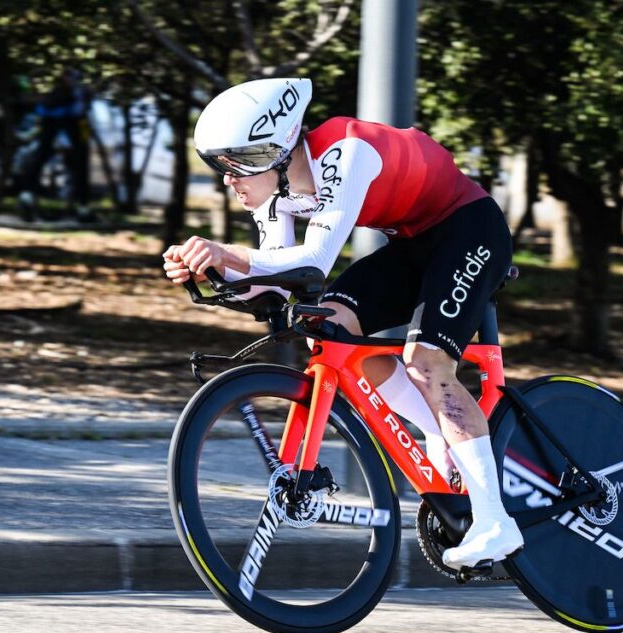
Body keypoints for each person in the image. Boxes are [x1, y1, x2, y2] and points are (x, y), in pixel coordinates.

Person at [163, 78, 523, 570]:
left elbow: (314, 259)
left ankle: (494, 520)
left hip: (468, 228)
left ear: (273, 150)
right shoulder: (278, 195)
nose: (227, 180)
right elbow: (280, 284)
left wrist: (230, 254)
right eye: (218, 167)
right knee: (330, 325)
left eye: (234, 164)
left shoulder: (344, 152)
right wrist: (214, 270)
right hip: (412, 244)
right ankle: (440, 427)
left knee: (426, 363)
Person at [18, 68, 95, 223]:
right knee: (80, 160)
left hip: (54, 116)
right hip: (72, 118)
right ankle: (83, 207)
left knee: (42, 153)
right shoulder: (77, 68)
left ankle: (27, 194)